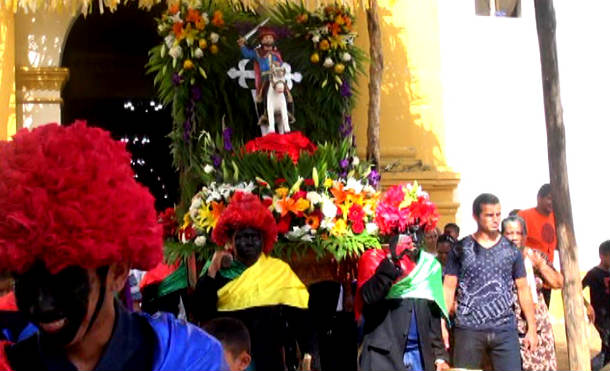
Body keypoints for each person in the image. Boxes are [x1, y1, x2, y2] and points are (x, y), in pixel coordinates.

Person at [0, 122, 226, 371]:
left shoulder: (188, 359)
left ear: (118, 273)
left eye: (64, 280)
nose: (42, 304)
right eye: (27, 280)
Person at [194, 191, 314, 371]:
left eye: (255, 236)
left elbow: (301, 320)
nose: (249, 241)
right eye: (242, 236)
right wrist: (212, 270)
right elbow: (201, 312)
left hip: (269, 363)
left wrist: (309, 352)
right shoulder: (216, 274)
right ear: (230, 241)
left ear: (263, 239)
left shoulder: (278, 271)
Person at [443, 193, 538, 371]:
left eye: (498, 214)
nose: (495, 220)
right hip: (468, 329)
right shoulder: (460, 249)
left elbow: (523, 289)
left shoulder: (511, 251)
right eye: (489, 215)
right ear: (476, 217)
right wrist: (442, 323)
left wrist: (532, 329)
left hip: (505, 330)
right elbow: (448, 288)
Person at [356, 233, 450, 371]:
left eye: (415, 233)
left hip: (420, 356)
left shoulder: (428, 266)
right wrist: (391, 261)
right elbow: (369, 297)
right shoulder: (374, 258)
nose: (410, 240)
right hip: (382, 357)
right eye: (404, 235)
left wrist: (440, 356)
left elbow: (433, 316)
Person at [502, 215, 563, 371]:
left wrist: (541, 265)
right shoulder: (497, 261)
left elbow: (558, 283)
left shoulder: (535, 257)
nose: (514, 238)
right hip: (508, 330)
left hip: (539, 330)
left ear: (525, 235)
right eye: (509, 233)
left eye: (518, 233)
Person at [237, 27, 294, 126]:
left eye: (270, 37)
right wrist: (242, 45)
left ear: (273, 40)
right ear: (261, 40)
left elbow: (280, 63)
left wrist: (277, 65)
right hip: (265, 77)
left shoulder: (276, 53)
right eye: (266, 37)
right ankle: (263, 116)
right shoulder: (257, 52)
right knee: (260, 96)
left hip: (277, 76)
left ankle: (289, 114)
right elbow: (247, 54)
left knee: (288, 94)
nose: (268, 39)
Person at [519, 184, 556, 307]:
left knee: (543, 319)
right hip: (528, 277)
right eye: (549, 198)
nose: (552, 202)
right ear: (539, 198)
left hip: (547, 279)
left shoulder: (557, 219)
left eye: (555, 199)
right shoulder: (524, 215)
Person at [582, 240, 610, 371]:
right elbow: (575, 290)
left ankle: (587, 368)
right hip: (601, 318)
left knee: (607, 352)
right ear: (602, 256)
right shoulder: (593, 273)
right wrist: (587, 305)